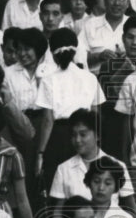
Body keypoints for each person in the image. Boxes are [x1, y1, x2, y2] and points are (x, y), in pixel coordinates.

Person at [35, 28, 105, 191]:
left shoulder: (49, 80)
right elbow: (96, 114)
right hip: (87, 134)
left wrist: (40, 153)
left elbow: (47, 120)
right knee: (85, 184)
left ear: (52, 53)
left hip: (60, 137)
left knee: (59, 185)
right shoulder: (90, 77)